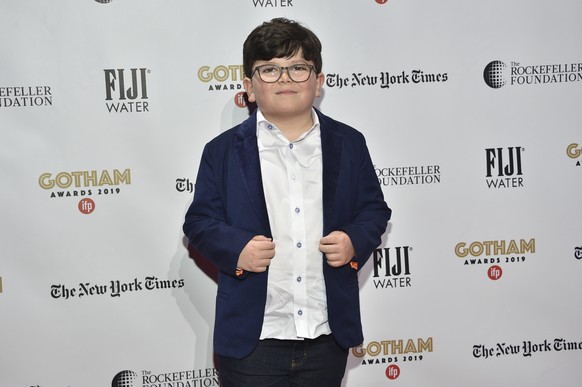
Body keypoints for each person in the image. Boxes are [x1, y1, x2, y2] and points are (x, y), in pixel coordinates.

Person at [183, 17, 391, 387]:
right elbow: (199, 221)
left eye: (298, 68)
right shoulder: (222, 151)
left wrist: (354, 241)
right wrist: (237, 250)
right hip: (254, 340)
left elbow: (374, 210)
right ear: (248, 85)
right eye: (270, 70)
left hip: (327, 334)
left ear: (318, 79)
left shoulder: (350, 143)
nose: (285, 79)